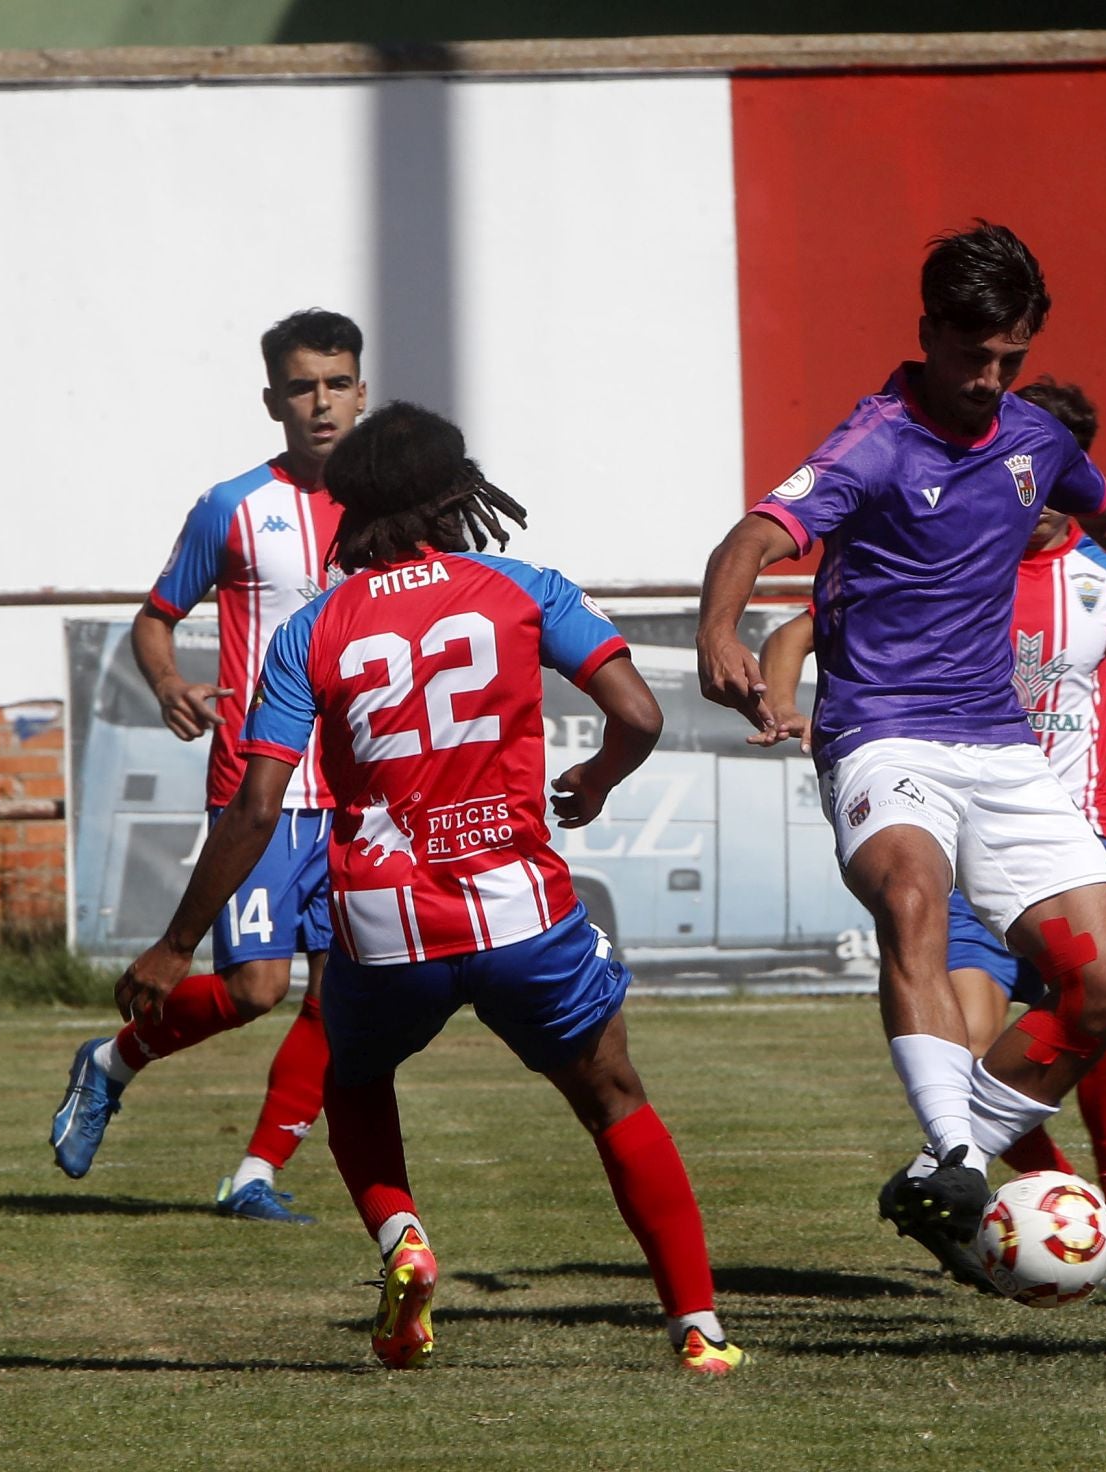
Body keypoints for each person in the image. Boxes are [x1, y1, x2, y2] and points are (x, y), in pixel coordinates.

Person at [113, 401, 745, 1374]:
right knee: (614, 1095)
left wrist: (174, 942)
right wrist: (597, 777)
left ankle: (403, 1238)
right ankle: (697, 1328)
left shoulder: (315, 627)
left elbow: (255, 807)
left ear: (351, 508)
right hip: (520, 912)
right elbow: (640, 712)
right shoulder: (522, 584)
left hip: (384, 924)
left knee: (354, 1082)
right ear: (460, 497)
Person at [698, 222, 1106, 1288]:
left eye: (1011, 358)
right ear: (927, 333)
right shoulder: (871, 441)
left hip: (999, 747)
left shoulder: (1034, 439)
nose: (991, 378)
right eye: (974, 354)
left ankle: (935, 1164)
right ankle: (963, 1154)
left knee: (1105, 988)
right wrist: (718, 630)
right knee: (913, 894)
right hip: (882, 732)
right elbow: (751, 537)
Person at [755, 377, 1106, 1295]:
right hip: (931, 811)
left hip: (1058, 822)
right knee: (964, 1030)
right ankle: (965, 1173)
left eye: (1056, 483)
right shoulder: (947, 556)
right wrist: (780, 693)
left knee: (1101, 1002)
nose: (1040, 499)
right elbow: (800, 623)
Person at [52, 308, 367, 1223]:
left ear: (361, 389)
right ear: (273, 398)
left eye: (338, 383)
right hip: (258, 787)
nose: (322, 403)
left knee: (344, 996)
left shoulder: (390, 508)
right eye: (303, 386)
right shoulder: (231, 507)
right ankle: (110, 1062)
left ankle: (255, 1173)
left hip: (357, 790)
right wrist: (167, 683)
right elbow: (156, 617)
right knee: (256, 989)